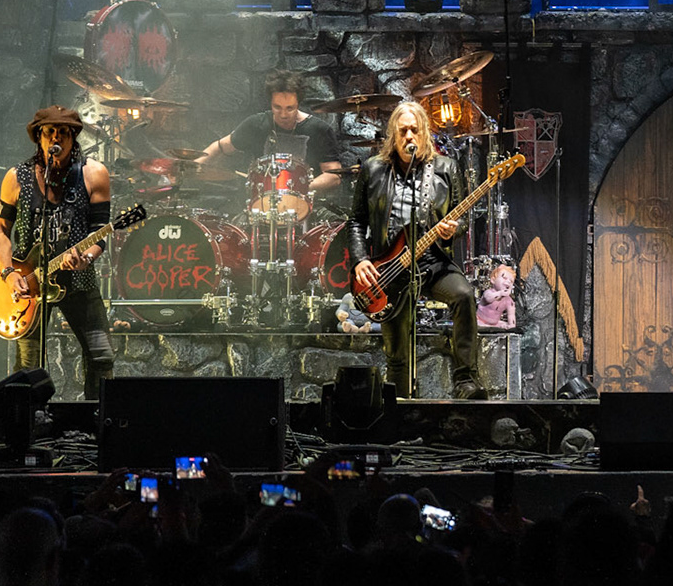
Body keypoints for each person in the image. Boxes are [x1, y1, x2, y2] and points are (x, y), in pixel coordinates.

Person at [347, 100, 485, 399]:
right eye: (402, 131)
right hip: (390, 268)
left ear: (424, 133)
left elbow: (462, 219)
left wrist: (454, 229)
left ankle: (466, 380)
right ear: (393, 136)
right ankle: (400, 401)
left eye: (414, 130)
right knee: (397, 353)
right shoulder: (373, 169)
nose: (409, 136)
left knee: (464, 295)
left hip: (433, 261)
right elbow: (356, 220)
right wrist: (359, 260)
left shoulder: (446, 167)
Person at [0, 106, 114, 398]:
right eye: (49, 132)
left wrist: (86, 257)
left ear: (73, 137)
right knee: (28, 367)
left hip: (78, 282)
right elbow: (0, 232)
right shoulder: (16, 177)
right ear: (39, 137)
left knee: (102, 357)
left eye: (63, 132)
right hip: (29, 285)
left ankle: (98, 420)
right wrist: (8, 273)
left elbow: (100, 233)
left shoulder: (94, 174)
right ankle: (27, 421)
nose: (56, 138)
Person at [195, 68, 350, 199]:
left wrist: (299, 189)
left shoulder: (318, 129)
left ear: (298, 104)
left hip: (305, 205)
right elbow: (219, 147)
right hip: (262, 206)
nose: (283, 114)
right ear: (270, 103)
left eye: (290, 108)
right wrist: (193, 166)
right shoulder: (256, 124)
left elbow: (333, 176)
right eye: (277, 107)